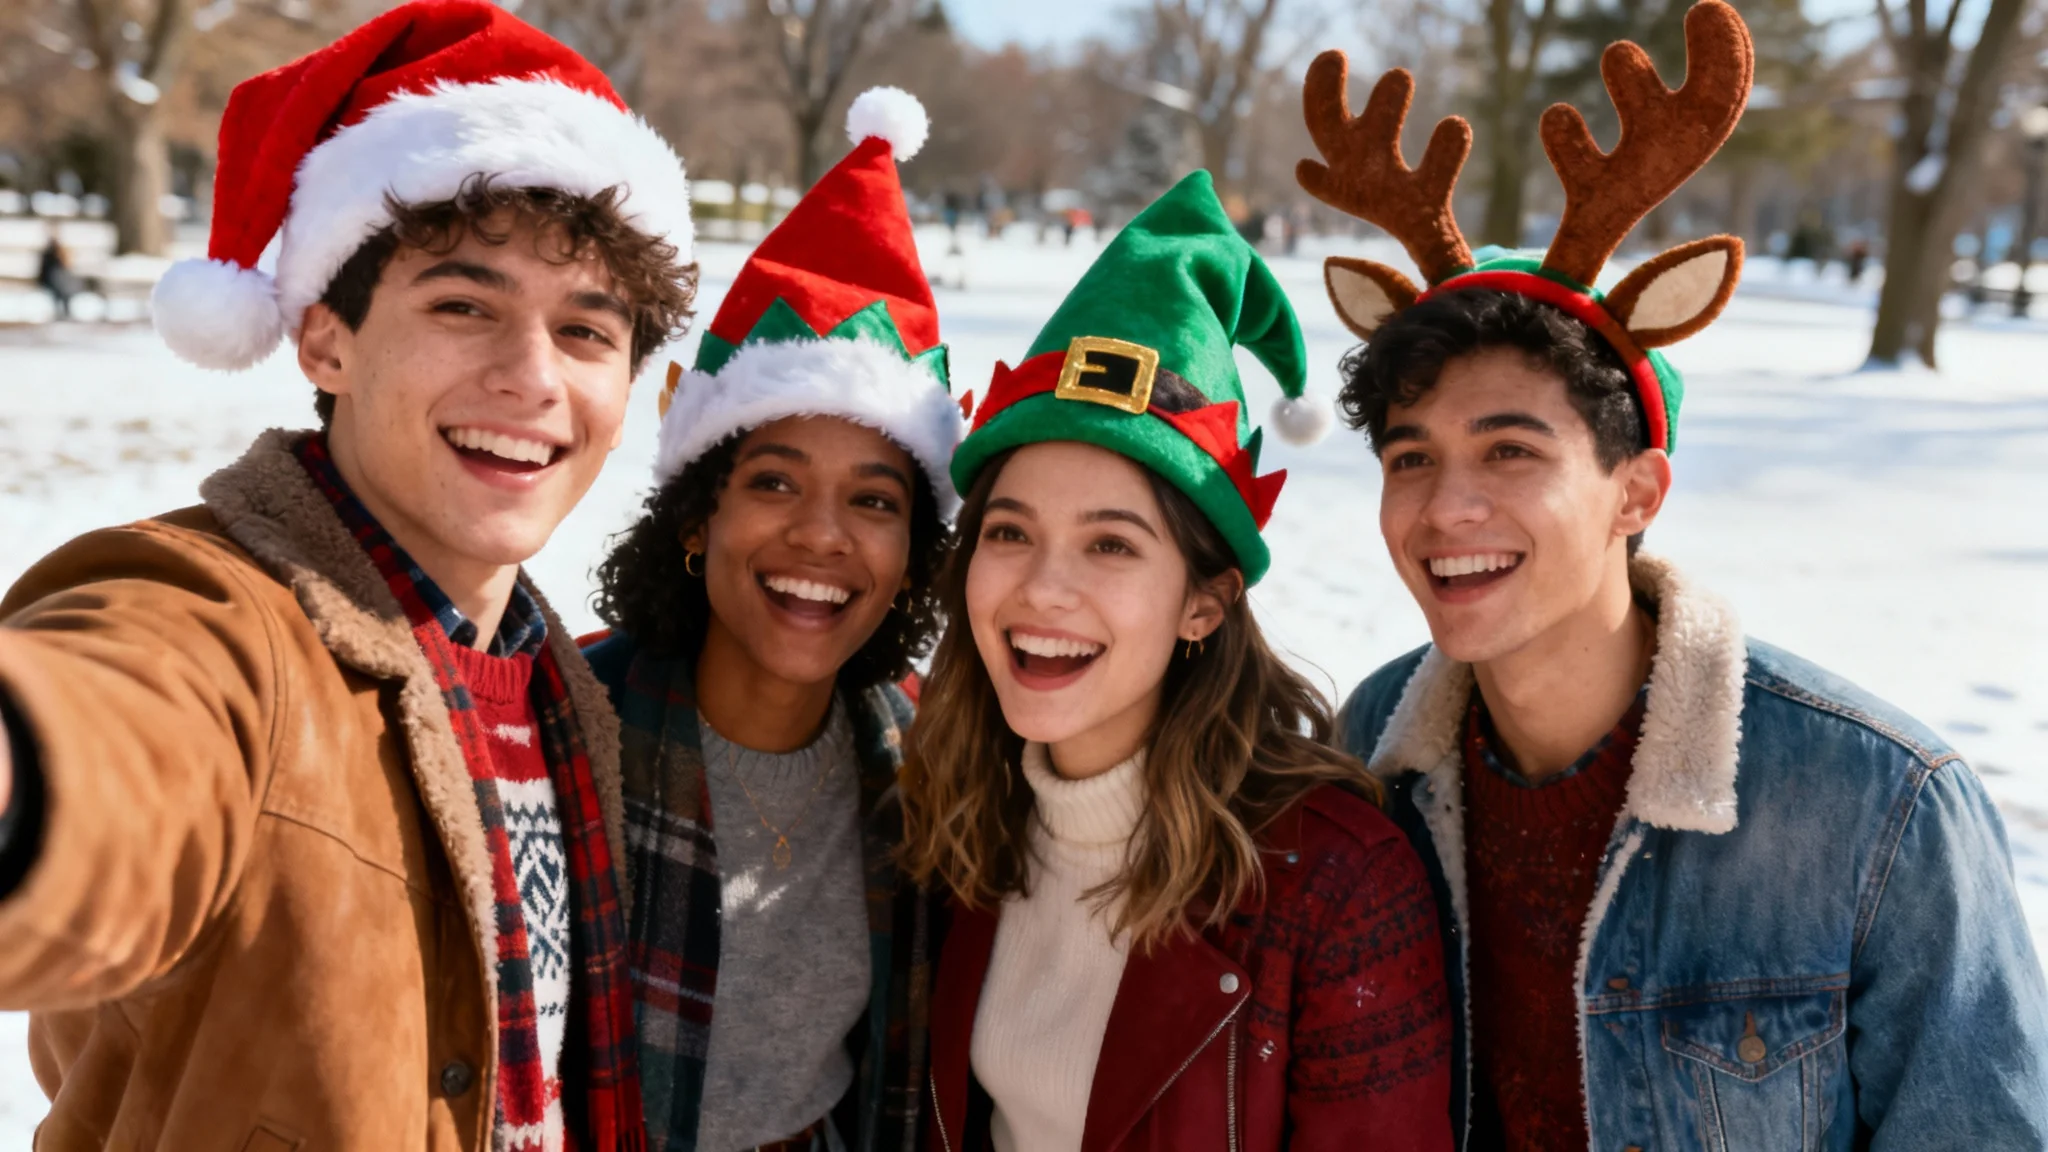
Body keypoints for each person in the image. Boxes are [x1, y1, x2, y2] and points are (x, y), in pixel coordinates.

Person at [1297, 4, 2048, 1148]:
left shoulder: (1876, 808)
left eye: (1510, 452)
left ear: (1636, 493)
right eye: (1411, 459)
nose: (1445, 509)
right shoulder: (1377, 751)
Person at [0, 3, 695, 1148]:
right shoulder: (224, 620)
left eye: (585, 332)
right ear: (326, 341)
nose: (531, 379)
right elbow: (121, 741)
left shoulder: (554, 682)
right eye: (463, 306)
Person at [904, 170, 1454, 1152]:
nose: (1041, 591)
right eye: (1008, 533)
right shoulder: (957, 811)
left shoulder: (1333, 880)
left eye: (1111, 545)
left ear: (1204, 600)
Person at [581, 88, 961, 1152]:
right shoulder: (569, 723)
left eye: (875, 502)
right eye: (775, 484)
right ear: (698, 518)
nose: (823, 538)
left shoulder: (927, 759)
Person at [36, 224, 80, 320]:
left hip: (59, 278)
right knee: (57, 297)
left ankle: (65, 313)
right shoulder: (48, 251)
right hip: (53, 278)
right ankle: (62, 313)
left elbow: (66, 264)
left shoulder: (59, 250)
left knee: (63, 297)